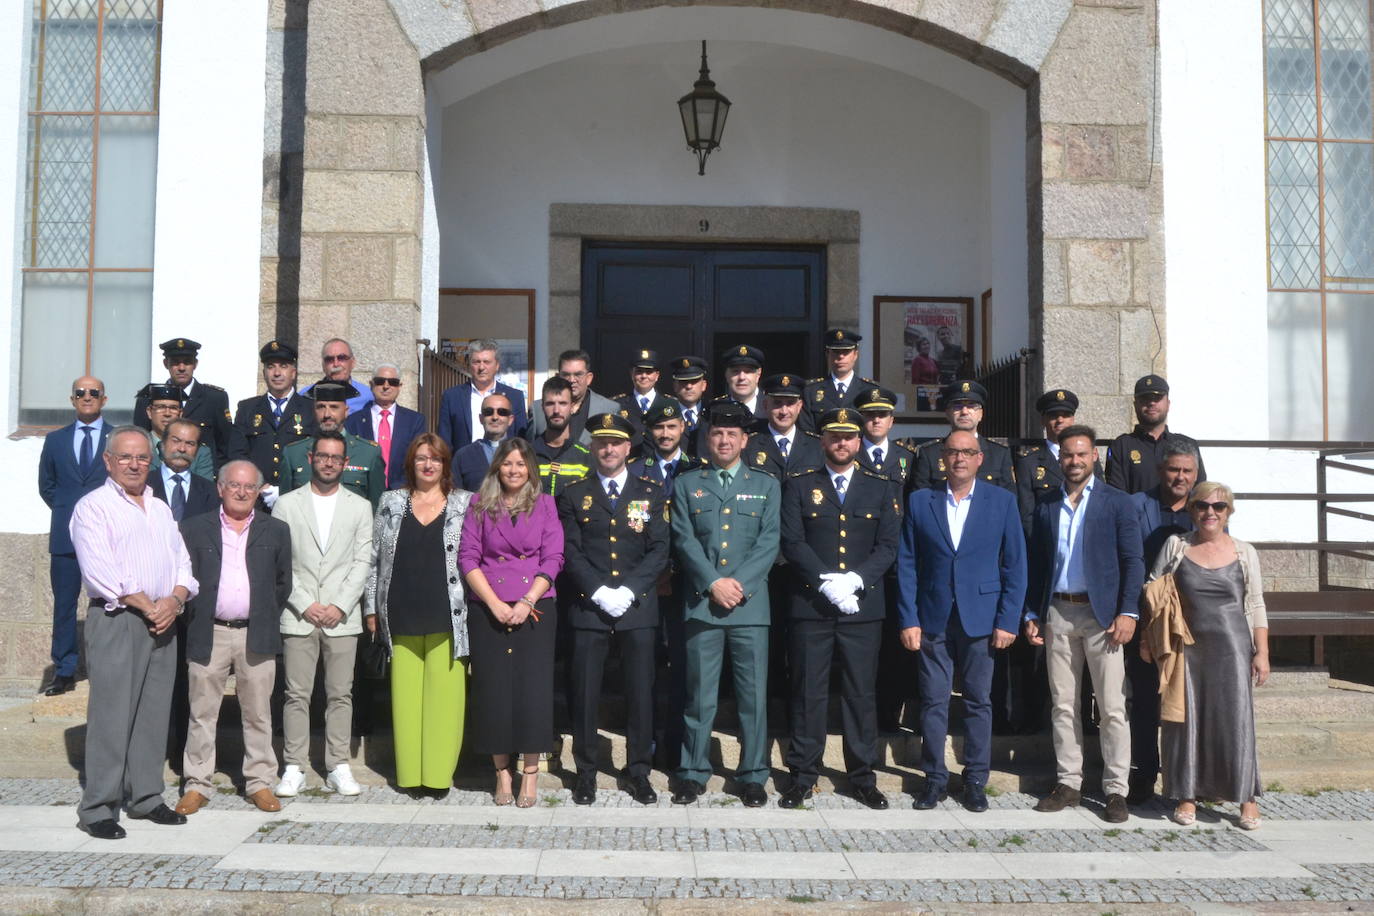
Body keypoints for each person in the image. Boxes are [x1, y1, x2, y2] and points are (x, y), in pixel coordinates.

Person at [69, 425, 197, 839]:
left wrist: (173, 602)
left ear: (152, 460)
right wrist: (150, 606)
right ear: (108, 461)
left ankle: (145, 797)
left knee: (153, 713)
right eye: (125, 457)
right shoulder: (93, 507)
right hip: (119, 620)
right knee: (111, 715)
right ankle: (99, 807)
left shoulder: (159, 509)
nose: (134, 464)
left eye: (142, 457)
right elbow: (102, 572)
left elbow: (183, 565)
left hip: (164, 621)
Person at [896, 429, 1027, 813]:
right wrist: (908, 617)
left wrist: (1008, 621)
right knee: (933, 701)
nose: (959, 459)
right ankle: (934, 778)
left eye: (968, 452)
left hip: (982, 618)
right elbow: (907, 564)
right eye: (953, 452)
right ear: (942, 458)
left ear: (980, 459)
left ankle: (974, 779)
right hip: (933, 616)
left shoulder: (1002, 502)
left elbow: (1015, 565)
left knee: (978, 701)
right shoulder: (921, 501)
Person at [778, 407, 900, 811]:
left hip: (862, 609)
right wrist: (827, 582)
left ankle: (862, 776)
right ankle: (803, 775)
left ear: (859, 441)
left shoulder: (880, 486)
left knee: (860, 693)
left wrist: (857, 580)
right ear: (823, 441)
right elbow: (792, 541)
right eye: (834, 436)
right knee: (807, 692)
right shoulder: (799, 484)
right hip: (812, 605)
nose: (842, 443)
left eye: (848, 437)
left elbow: (888, 546)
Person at [1024, 425, 1143, 823]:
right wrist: (1031, 613)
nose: (1074, 461)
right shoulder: (1046, 504)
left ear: (1094, 456)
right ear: (1059, 459)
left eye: (1081, 454)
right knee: (1063, 704)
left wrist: (1129, 611)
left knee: (1112, 706)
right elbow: (1038, 564)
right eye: (1067, 455)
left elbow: (1133, 561)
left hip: (1103, 616)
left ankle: (1115, 790)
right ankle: (1069, 782)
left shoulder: (1117, 503)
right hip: (1058, 611)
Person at [670, 401, 780, 807]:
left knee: (753, 697)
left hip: (750, 609)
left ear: (744, 439)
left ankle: (752, 774)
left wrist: (739, 586)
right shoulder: (687, 484)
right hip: (704, 605)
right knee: (700, 696)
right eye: (717, 433)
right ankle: (692, 772)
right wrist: (713, 583)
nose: (724, 440)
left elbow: (769, 542)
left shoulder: (767, 484)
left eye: (732, 434)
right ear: (707, 437)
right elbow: (683, 539)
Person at [557, 413, 670, 806]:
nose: (608, 449)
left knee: (640, 693)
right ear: (593, 447)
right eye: (601, 443)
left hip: (637, 609)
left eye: (616, 443)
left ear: (628, 448)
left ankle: (639, 771)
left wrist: (631, 590)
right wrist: (598, 590)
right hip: (590, 608)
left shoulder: (650, 492)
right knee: (585, 692)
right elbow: (569, 550)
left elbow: (659, 549)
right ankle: (585, 772)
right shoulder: (573, 493)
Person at [1143, 481, 1268, 830]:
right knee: (1186, 721)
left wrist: (1263, 652)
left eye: (1219, 507)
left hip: (1232, 648)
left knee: (1236, 720)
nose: (1210, 513)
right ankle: (1187, 793)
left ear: (1229, 512)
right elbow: (1153, 590)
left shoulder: (1245, 552)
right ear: (1192, 509)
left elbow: (1256, 603)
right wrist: (1149, 639)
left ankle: (1246, 797)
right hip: (1187, 647)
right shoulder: (1176, 546)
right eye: (1202, 506)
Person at [174, 460, 292, 815]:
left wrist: (264, 614)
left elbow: (282, 583)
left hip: (255, 633)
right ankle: (197, 784)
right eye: (234, 485)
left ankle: (259, 783)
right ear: (220, 488)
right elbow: (183, 576)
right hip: (209, 631)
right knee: (202, 712)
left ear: (258, 492)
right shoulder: (194, 528)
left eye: (249, 487)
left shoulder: (276, 530)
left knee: (257, 713)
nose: (241, 492)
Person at [366, 433, 473, 797]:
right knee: (407, 701)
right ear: (410, 463)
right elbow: (374, 559)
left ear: (446, 465)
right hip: (400, 612)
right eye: (421, 458)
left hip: (447, 613)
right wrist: (370, 608)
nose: (428, 465)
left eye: (436, 459)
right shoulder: (391, 501)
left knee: (445, 701)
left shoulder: (464, 503)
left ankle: (438, 777)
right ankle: (411, 775)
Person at [459, 438, 565, 808]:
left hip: (534, 605)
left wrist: (526, 600)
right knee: (494, 690)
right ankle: (502, 771)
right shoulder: (479, 503)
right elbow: (468, 558)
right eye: (507, 464)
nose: (514, 470)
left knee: (533, 691)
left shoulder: (546, 504)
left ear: (530, 468)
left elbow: (553, 558)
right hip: (489, 606)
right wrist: (493, 603)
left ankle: (531, 774)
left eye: (521, 464)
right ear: (497, 468)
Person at [272, 430, 374, 797]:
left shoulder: (360, 506)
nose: (329, 462)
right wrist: (306, 603)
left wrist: (341, 605)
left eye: (336, 457)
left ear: (345, 463)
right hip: (299, 613)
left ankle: (338, 765)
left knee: (340, 694)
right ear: (311, 458)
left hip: (341, 616)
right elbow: (283, 563)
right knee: (296, 693)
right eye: (323, 456)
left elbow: (363, 560)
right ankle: (294, 765)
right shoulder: (286, 504)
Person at [1125, 442, 1199, 805]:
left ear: (1196, 474)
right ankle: (1144, 773)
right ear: (1160, 470)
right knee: (1144, 702)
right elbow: (1130, 561)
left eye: (1187, 471)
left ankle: (1188, 778)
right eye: (1173, 470)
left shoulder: (1206, 509)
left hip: (1194, 628)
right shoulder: (1138, 506)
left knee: (1188, 704)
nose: (1180, 477)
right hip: (1147, 621)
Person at [37, 376, 111, 696]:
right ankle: (65, 670)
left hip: (106, 536)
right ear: (72, 399)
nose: (87, 397)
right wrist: (73, 514)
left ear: (104, 400)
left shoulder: (117, 438)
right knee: (64, 605)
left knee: (110, 601)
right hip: (66, 536)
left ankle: (106, 667)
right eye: (81, 393)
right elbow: (47, 486)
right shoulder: (55, 440)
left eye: (93, 392)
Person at [852, 385, 918, 732]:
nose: (875, 420)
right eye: (869, 415)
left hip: (896, 565)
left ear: (892, 420)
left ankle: (890, 713)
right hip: (860, 563)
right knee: (862, 646)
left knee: (896, 645)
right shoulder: (850, 455)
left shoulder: (907, 459)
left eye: (882, 415)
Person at [132, 338, 244, 470]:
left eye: (187, 362)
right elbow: (140, 440)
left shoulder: (214, 398)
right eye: (175, 363)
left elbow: (225, 444)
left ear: (195, 364)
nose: (181, 368)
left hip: (202, 475)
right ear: (165, 363)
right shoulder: (148, 398)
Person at [234, 340, 316, 503]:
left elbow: (314, 455)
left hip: (298, 498)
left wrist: (286, 489)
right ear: (264, 372)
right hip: (255, 497)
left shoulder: (310, 409)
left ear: (293, 372)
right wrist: (259, 485)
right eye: (271, 367)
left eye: (283, 366)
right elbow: (238, 453)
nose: (277, 373)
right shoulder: (247, 408)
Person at [281, 380, 385, 508]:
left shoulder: (368, 453)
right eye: (321, 407)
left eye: (334, 407)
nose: (327, 414)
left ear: (346, 411)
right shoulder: (293, 453)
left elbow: (377, 508)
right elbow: (285, 507)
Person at [1105, 375, 1206, 494]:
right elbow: (1116, 495)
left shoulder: (1187, 444)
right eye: (1145, 398)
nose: (1151, 403)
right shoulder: (1121, 446)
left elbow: (1200, 491)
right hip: (1136, 513)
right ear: (1135, 404)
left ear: (1168, 404)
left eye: (1157, 398)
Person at [910, 380, 1015, 492]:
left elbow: (1009, 500)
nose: (964, 412)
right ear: (947, 413)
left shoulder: (999, 454)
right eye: (957, 406)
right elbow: (920, 500)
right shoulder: (929, 453)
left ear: (981, 414)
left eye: (971, 406)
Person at [437, 339, 527, 452]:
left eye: (487, 362)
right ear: (469, 365)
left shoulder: (515, 397)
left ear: (497, 365)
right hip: (465, 466)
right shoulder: (452, 397)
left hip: (504, 465)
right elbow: (444, 441)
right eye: (476, 362)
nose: (481, 367)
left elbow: (521, 439)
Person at [345, 363, 426, 489]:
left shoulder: (415, 421)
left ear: (399, 386)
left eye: (392, 382)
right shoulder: (353, 421)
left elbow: (418, 459)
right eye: (380, 381)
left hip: (402, 493)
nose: (386, 386)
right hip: (363, 491)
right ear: (371, 385)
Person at [1016, 388, 1086, 532]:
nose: (1060, 420)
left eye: (1065, 415)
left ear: (1073, 420)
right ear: (1043, 420)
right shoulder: (1029, 461)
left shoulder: (1086, 457)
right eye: (1053, 415)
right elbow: (1026, 514)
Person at [528, 349, 619, 446]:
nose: (571, 380)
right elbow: (529, 453)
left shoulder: (609, 409)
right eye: (566, 375)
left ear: (589, 378)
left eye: (578, 374)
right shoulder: (537, 410)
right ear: (558, 376)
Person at [745, 373, 823, 480]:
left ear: (799, 406)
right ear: (765, 405)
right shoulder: (748, 446)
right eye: (777, 403)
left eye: (790, 403)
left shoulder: (817, 446)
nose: (784, 411)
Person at [529, 376, 591, 497]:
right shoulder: (528, 454)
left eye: (562, 403)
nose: (556, 410)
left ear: (572, 407)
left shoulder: (585, 457)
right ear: (542, 407)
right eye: (550, 404)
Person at [801, 329, 875, 432]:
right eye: (836, 352)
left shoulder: (869, 391)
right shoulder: (811, 391)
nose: (840, 356)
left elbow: (872, 431)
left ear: (855, 354)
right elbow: (807, 432)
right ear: (827, 353)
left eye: (846, 352)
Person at [140, 383, 215, 481]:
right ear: (149, 412)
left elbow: (204, 490)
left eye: (173, 408)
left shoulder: (200, 452)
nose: (167, 413)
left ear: (180, 414)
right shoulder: (138, 446)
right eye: (161, 407)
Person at [148, 419, 220, 521]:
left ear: (197, 449)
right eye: (176, 441)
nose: (182, 449)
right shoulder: (144, 485)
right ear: (163, 444)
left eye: (190, 443)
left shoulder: (210, 491)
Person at [632, 397, 707, 485]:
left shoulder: (699, 469)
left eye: (671, 427)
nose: (665, 434)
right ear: (651, 429)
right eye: (659, 427)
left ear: (682, 427)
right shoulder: (634, 471)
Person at [453, 393, 516, 491]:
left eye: (502, 412)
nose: (495, 417)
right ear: (481, 418)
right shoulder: (463, 456)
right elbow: (456, 498)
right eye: (488, 412)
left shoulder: (522, 453)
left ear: (510, 419)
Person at [301, 338, 370, 414]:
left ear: (353, 362)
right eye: (329, 359)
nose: (336, 364)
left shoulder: (368, 397)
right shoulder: (306, 396)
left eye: (342, 358)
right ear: (323, 365)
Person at [711, 344, 768, 430]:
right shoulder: (713, 411)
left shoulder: (773, 409)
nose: (741, 377)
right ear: (726, 374)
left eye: (748, 371)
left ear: (758, 374)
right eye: (735, 371)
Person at [614, 349, 668, 433]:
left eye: (649, 372)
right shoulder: (617, 404)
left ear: (657, 375)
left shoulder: (669, 404)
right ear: (632, 374)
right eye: (639, 371)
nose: (644, 376)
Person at [670, 355, 710, 457]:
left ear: (704, 385)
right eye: (683, 382)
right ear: (674, 386)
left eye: (694, 381)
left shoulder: (713, 413)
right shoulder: (665, 415)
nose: (689, 386)